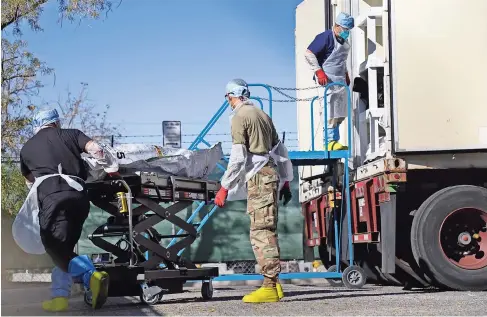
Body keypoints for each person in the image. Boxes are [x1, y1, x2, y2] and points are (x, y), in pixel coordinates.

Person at [18, 108, 112, 312]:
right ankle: (59, 297)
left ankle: (91, 275)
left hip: (53, 200)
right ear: (56, 122)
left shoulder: (27, 148)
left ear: (37, 126)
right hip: (79, 197)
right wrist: (110, 168)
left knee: (55, 247)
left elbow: (29, 180)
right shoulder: (72, 134)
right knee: (65, 249)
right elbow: (96, 149)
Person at [214, 79, 293, 303]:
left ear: (231, 96)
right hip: (271, 174)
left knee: (261, 231)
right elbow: (281, 149)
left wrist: (224, 187)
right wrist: (287, 180)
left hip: (259, 178)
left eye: (227, 98)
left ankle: (269, 286)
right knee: (269, 229)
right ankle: (275, 286)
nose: (228, 102)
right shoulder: (262, 115)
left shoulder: (239, 116)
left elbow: (238, 157)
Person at [305, 12, 355, 151]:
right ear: (337, 26)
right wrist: (318, 71)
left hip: (339, 80)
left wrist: (345, 74)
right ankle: (329, 142)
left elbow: (341, 60)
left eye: (348, 30)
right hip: (326, 80)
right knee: (328, 110)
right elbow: (309, 53)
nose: (347, 33)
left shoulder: (344, 43)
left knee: (339, 111)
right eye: (345, 29)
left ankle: (334, 141)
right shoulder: (325, 37)